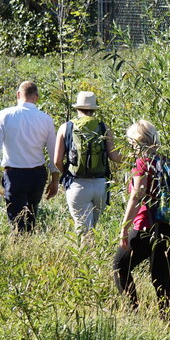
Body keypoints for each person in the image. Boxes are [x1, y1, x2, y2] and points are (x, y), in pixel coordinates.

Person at [112, 120, 170, 321]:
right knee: (161, 276)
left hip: (145, 225)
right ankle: (167, 323)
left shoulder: (143, 163)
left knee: (119, 266)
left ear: (134, 142)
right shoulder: (167, 161)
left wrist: (124, 229)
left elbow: (137, 195)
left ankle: (133, 314)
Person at [0, 81, 59, 233]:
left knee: (16, 220)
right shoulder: (46, 119)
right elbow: (54, 154)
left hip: (14, 175)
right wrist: (55, 181)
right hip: (37, 174)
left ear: (18, 95)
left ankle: (19, 247)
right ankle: (28, 245)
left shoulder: (5, 115)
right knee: (31, 216)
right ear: (36, 97)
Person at [52, 91, 122, 240]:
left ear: (78, 108)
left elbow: (57, 161)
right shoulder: (104, 127)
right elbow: (115, 157)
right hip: (100, 186)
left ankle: (86, 261)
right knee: (92, 229)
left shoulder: (66, 127)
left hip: (77, 185)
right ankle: (94, 259)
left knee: (83, 230)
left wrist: (66, 173)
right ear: (94, 109)